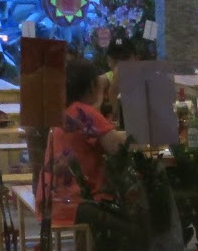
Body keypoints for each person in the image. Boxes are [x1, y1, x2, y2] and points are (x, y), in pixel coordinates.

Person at [38, 57, 130, 227]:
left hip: (50, 201)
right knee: (133, 221)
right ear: (92, 86)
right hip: (76, 203)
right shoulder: (84, 112)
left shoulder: (65, 111)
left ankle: (84, 246)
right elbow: (116, 146)